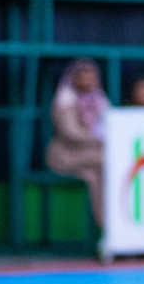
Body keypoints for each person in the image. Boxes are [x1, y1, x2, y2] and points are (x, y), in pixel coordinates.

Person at [45, 58, 109, 226]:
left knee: (97, 174)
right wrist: (98, 138)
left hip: (90, 157)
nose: (87, 79)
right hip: (65, 155)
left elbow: (110, 124)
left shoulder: (99, 99)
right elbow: (71, 133)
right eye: (83, 75)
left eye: (91, 75)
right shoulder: (66, 99)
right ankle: (105, 224)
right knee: (106, 160)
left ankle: (110, 227)